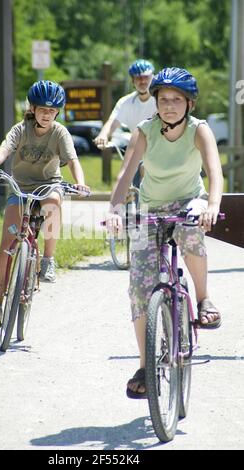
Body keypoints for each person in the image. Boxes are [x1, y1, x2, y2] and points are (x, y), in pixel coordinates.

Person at [107, 67, 224, 399]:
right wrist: (115, 209)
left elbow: (214, 171)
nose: (169, 105)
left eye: (176, 99)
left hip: (190, 200)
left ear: (189, 103)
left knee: (190, 230)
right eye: (163, 99)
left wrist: (212, 204)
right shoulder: (144, 132)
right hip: (150, 208)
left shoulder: (199, 131)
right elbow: (127, 172)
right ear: (155, 102)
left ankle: (203, 299)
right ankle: (146, 363)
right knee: (139, 287)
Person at [0, 80, 89, 330]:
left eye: (52, 110)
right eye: (42, 110)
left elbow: (72, 160)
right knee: (6, 245)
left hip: (49, 184)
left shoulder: (60, 132)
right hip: (20, 187)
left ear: (57, 112)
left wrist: (80, 183)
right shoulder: (20, 129)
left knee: (54, 201)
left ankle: (48, 259)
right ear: (33, 109)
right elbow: (4, 149)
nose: (47, 115)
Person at [94, 59, 156, 187]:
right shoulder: (126, 102)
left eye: (146, 77)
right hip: (137, 151)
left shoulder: (160, 100)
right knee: (124, 183)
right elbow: (113, 122)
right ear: (133, 81)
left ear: (152, 78)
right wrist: (103, 135)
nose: (143, 81)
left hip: (158, 151)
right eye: (138, 78)